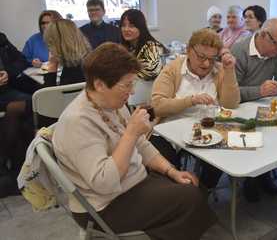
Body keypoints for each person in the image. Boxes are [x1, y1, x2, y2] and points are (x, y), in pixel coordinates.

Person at [52, 43, 216, 240]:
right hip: (103, 206)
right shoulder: (77, 122)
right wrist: (130, 134)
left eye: (133, 84)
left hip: (132, 183)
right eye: (127, 85)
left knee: (193, 187)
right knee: (190, 198)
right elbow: (104, 183)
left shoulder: (112, 103)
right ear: (99, 84)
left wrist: (172, 171)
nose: (131, 92)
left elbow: (142, 145)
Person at [151, 28, 240, 188]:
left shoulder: (218, 70)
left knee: (220, 158)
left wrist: (229, 71)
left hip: (208, 131)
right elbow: (157, 106)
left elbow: (231, 105)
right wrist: (190, 100)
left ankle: (203, 192)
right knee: (165, 162)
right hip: (170, 133)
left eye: (212, 59)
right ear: (188, 50)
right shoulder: (173, 69)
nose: (206, 64)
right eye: (201, 57)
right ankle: (178, 194)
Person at [231, 18, 277, 202]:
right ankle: (250, 178)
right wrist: (259, 90)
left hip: (263, 106)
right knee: (253, 131)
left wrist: (268, 91)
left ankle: (264, 173)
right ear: (263, 35)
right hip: (238, 109)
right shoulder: (239, 52)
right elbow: (229, 94)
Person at [0, 32, 35, 198]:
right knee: (19, 113)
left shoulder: (1, 38)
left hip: (6, 92)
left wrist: (7, 72)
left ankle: (20, 168)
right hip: (6, 95)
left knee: (32, 104)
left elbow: (21, 60)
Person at [120, 9, 169, 81]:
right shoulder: (126, 47)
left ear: (141, 28)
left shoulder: (152, 46)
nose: (126, 29)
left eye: (131, 26)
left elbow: (153, 72)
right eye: (123, 25)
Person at [43, 19, 90, 87]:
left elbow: (48, 95)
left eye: (50, 44)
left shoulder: (70, 75)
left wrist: (52, 65)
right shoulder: (86, 63)